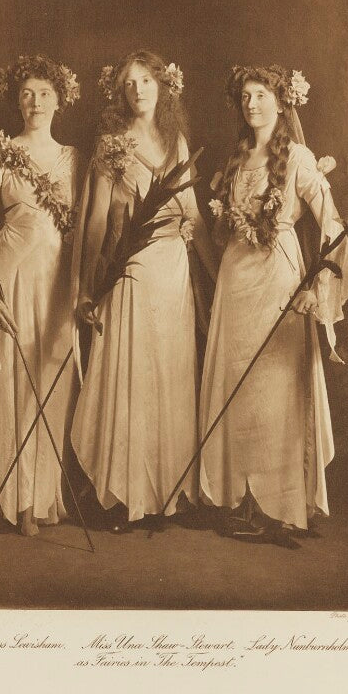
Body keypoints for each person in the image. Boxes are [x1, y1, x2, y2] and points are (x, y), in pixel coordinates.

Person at [200, 64, 348, 547]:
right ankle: (242, 497)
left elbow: (331, 224)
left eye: (261, 95)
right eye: (245, 96)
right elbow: (222, 230)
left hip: (278, 280)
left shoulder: (297, 158)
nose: (251, 104)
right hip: (236, 282)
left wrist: (319, 284)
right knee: (240, 386)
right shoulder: (236, 159)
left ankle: (284, 505)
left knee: (275, 390)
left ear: (281, 101)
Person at [71, 51, 218, 532]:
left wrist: (219, 277)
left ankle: (168, 493)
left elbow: (192, 213)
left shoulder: (176, 140)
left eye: (147, 80)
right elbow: (96, 219)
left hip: (172, 270)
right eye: (129, 82)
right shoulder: (111, 145)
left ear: (163, 87)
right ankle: (127, 495)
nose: (138, 89)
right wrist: (89, 286)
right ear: (121, 92)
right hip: (130, 269)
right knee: (133, 372)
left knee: (170, 372)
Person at [0, 54, 81, 536]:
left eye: (45, 93)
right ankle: (13, 501)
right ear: (17, 100)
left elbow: (81, 230)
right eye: (27, 93)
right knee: (10, 375)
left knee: (48, 379)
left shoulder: (73, 157)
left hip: (55, 281)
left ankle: (41, 493)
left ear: (60, 100)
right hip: (10, 271)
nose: (35, 101)